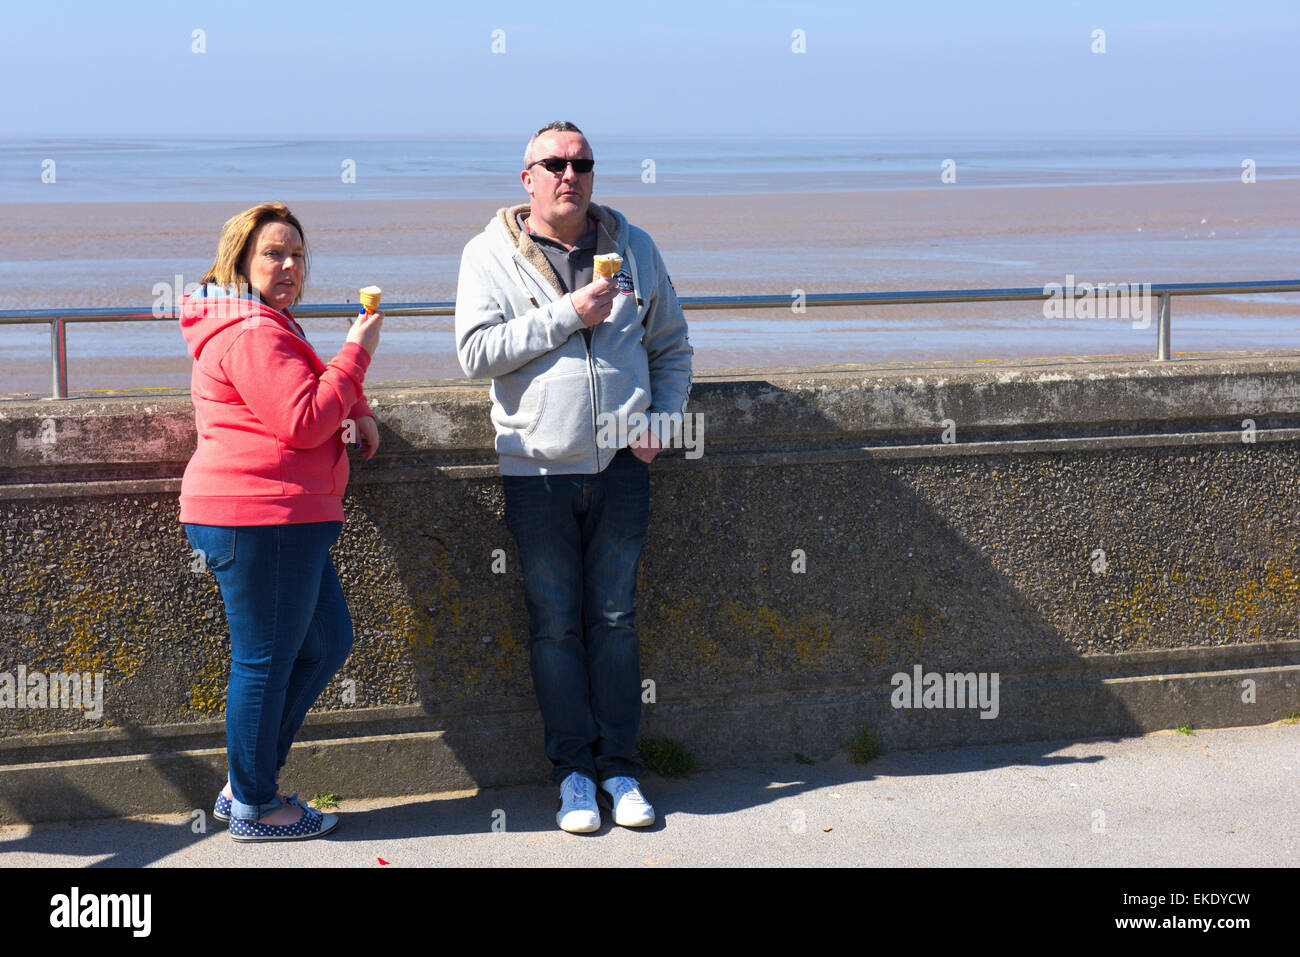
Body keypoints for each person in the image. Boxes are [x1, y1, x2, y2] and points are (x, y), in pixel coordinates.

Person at [455, 122, 693, 832]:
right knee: (556, 627)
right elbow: (474, 352)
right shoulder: (488, 254)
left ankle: (621, 769)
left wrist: (664, 419)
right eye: (554, 163)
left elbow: (673, 346)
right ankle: (574, 777)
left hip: (623, 466)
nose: (570, 174)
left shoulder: (635, 247)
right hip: (537, 471)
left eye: (582, 163)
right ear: (526, 177)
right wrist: (568, 314)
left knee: (615, 619)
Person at [178, 202, 382, 842]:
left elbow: (302, 389)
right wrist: (358, 351)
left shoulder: (264, 322)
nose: (290, 265)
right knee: (263, 662)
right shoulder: (252, 331)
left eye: (297, 253)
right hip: (260, 518)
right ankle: (256, 806)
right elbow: (304, 421)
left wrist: (360, 404)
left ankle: (248, 780)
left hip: (284, 518)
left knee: (325, 642)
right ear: (240, 261)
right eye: (274, 253)